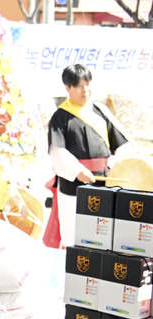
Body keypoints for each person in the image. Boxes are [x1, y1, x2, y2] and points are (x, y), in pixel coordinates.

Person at [46, 64, 133, 248]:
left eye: (87, 84)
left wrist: (130, 165)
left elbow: (121, 145)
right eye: (79, 86)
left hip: (104, 180)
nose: (85, 90)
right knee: (74, 231)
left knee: (103, 228)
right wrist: (78, 171)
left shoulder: (101, 111)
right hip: (74, 182)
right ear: (67, 88)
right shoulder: (60, 117)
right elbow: (56, 151)